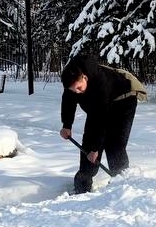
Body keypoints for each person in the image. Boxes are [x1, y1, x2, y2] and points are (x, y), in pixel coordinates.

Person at [59, 52, 143, 193]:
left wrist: (95, 148)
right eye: (74, 90)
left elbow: (100, 118)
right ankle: (82, 187)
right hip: (98, 109)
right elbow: (68, 102)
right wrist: (66, 125)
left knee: (114, 144)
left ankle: (122, 186)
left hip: (123, 101)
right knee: (88, 145)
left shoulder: (100, 82)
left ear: (85, 77)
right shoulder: (71, 79)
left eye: (79, 88)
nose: (77, 92)